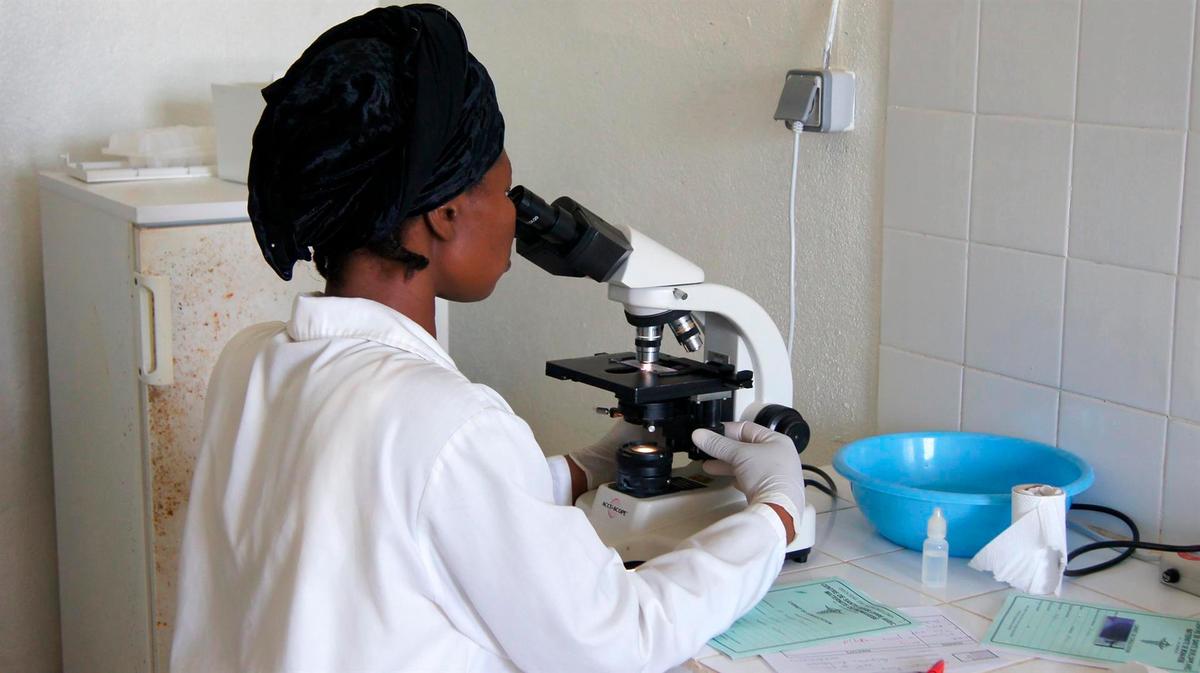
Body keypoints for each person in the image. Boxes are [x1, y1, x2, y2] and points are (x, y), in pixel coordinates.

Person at [171, 5, 807, 673]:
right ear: (445, 214)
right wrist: (775, 517)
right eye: (505, 190)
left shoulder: (251, 360)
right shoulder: (448, 422)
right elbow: (623, 640)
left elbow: (399, 515)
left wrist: (587, 464)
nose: (515, 216)